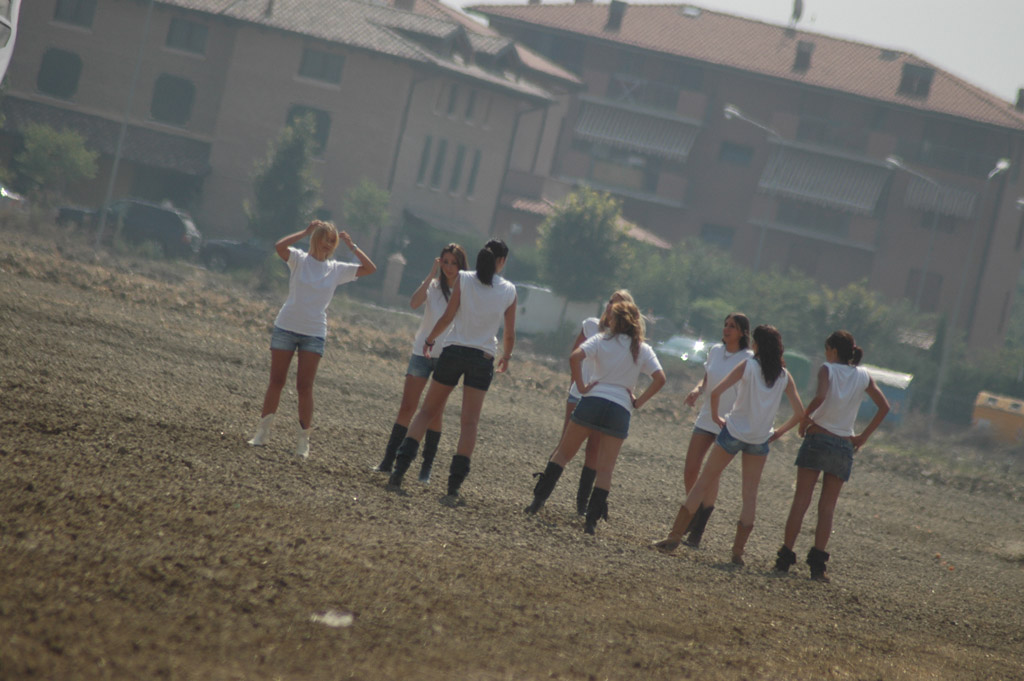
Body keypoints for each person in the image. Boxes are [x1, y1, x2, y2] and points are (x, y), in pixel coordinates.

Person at [654, 325, 804, 565]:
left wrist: (716, 417)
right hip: (759, 439)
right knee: (750, 495)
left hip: (733, 431)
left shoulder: (748, 366)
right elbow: (799, 413)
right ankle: (737, 553)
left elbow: (716, 392)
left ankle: (673, 537)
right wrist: (777, 432)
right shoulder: (784, 376)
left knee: (703, 482)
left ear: (757, 344)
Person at [385, 240, 517, 506]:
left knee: (426, 412)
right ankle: (453, 486)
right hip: (483, 357)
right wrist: (506, 357)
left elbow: (447, 316)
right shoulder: (509, 290)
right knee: (469, 423)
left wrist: (430, 339)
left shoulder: (464, 279)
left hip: (454, 351)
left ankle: (399, 470)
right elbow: (510, 333)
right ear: (502, 261)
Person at [525, 299, 666, 535]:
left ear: (614, 320)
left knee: (563, 454)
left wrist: (581, 386)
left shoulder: (602, 339)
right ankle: (590, 521)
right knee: (606, 469)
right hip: (620, 408)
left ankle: (537, 502)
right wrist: (638, 401)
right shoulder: (642, 349)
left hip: (593, 401)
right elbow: (660, 379)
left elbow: (575, 357)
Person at [247, 220, 376, 457]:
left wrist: (352, 247)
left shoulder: (336, 269)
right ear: (316, 238)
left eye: (332, 241)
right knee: (276, 381)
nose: (328, 244)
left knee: (305, 387)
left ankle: (303, 442)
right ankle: (261, 433)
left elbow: (370, 269)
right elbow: (279, 247)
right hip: (286, 326)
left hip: (314, 332)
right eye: (325, 239)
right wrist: (304, 232)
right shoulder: (299, 259)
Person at [773, 330, 889, 582]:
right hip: (843, 445)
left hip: (819, 438)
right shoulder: (863, 375)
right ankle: (817, 566)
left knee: (801, 501)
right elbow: (884, 406)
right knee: (827, 508)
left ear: (833, 350)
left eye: (827, 349)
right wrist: (863, 437)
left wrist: (804, 418)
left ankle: (785, 558)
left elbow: (821, 396)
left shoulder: (827, 370)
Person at [534, 290, 637, 517]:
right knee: (564, 446)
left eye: (618, 303)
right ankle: (539, 498)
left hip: (602, 397)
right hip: (581, 394)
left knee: (593, 451)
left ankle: (582, 505)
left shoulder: (627, 340)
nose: (611, 306)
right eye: (610, 301)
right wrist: (577, 385)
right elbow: (575, 355)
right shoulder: (591, 325)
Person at [375, 244, 468, 482]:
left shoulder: (466, 291)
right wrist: (430, 275)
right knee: (407, 406)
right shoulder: (434, 286)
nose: (449, 267)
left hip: (447, 356)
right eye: (445, 262)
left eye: (453, 263)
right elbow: (414, 303)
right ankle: (388, 460)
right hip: (421, 352)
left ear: (461, 265)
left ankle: (426, 467)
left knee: (434, 412)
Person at [676, 314, 753, 547]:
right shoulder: (715, 351)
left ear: (743, 332)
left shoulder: (749, 358)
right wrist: (697, 390)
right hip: (707, 416)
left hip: (729, 421)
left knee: (711, 474)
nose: (726, 329)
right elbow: (707, 378)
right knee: (691, 469)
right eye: (726, 325)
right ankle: (693, 511)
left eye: (733, 327)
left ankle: (698, 528)